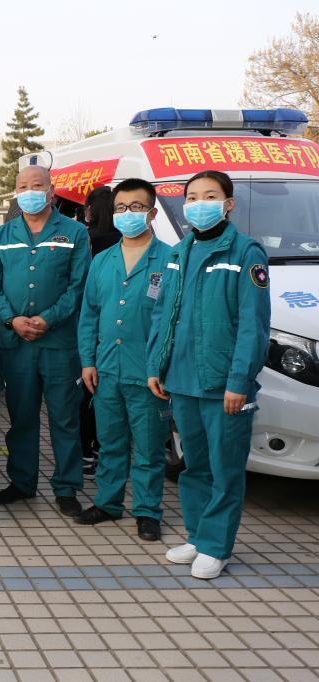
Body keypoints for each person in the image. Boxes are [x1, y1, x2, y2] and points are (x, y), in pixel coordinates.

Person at [147, 170, 270, 579]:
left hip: (223, 384)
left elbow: (253, 325)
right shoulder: (179, 253)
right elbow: (162, 314)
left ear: (228, 204)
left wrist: (239, 381)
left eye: (210, 196)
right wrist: (156, 366)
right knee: (194, 466)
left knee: (225, 469)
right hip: (182, 380)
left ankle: (217, 547)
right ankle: (198, 536)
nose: (200, 204)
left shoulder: (246, 253)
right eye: (193, 197)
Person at [0, 165, 91, 516]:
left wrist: (49, 318)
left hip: (59, 344)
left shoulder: (74, 232)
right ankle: (22, 482)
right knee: (21, 417)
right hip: (16, 344)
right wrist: (12, 319)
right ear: (16, 192)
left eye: (37, 185)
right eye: (23, 186)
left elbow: (79, 286)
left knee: (64, 418)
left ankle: (67, 487)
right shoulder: (2, 235)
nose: (30, 191)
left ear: (51, 191)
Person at [75, 179, 172, 542]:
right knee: (110, 441)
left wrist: (161, 366)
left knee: (148, 448)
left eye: (136, 207)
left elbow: (173, 320)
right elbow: (90, 313)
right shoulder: (102, 260)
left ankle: (147, 511)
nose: (127, 214)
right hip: (107, 369)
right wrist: (88, 360)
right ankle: (108, 503)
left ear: (152, 213)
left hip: (148, 373)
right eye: (120, 208)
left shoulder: (170, 260)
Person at [78, 185, 121, 477]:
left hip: (92, 331)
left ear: (91, 210)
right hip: (120, 333)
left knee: (88, 396)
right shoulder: (127, 242)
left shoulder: (87, 241)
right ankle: (103, 450)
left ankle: (86, 453)